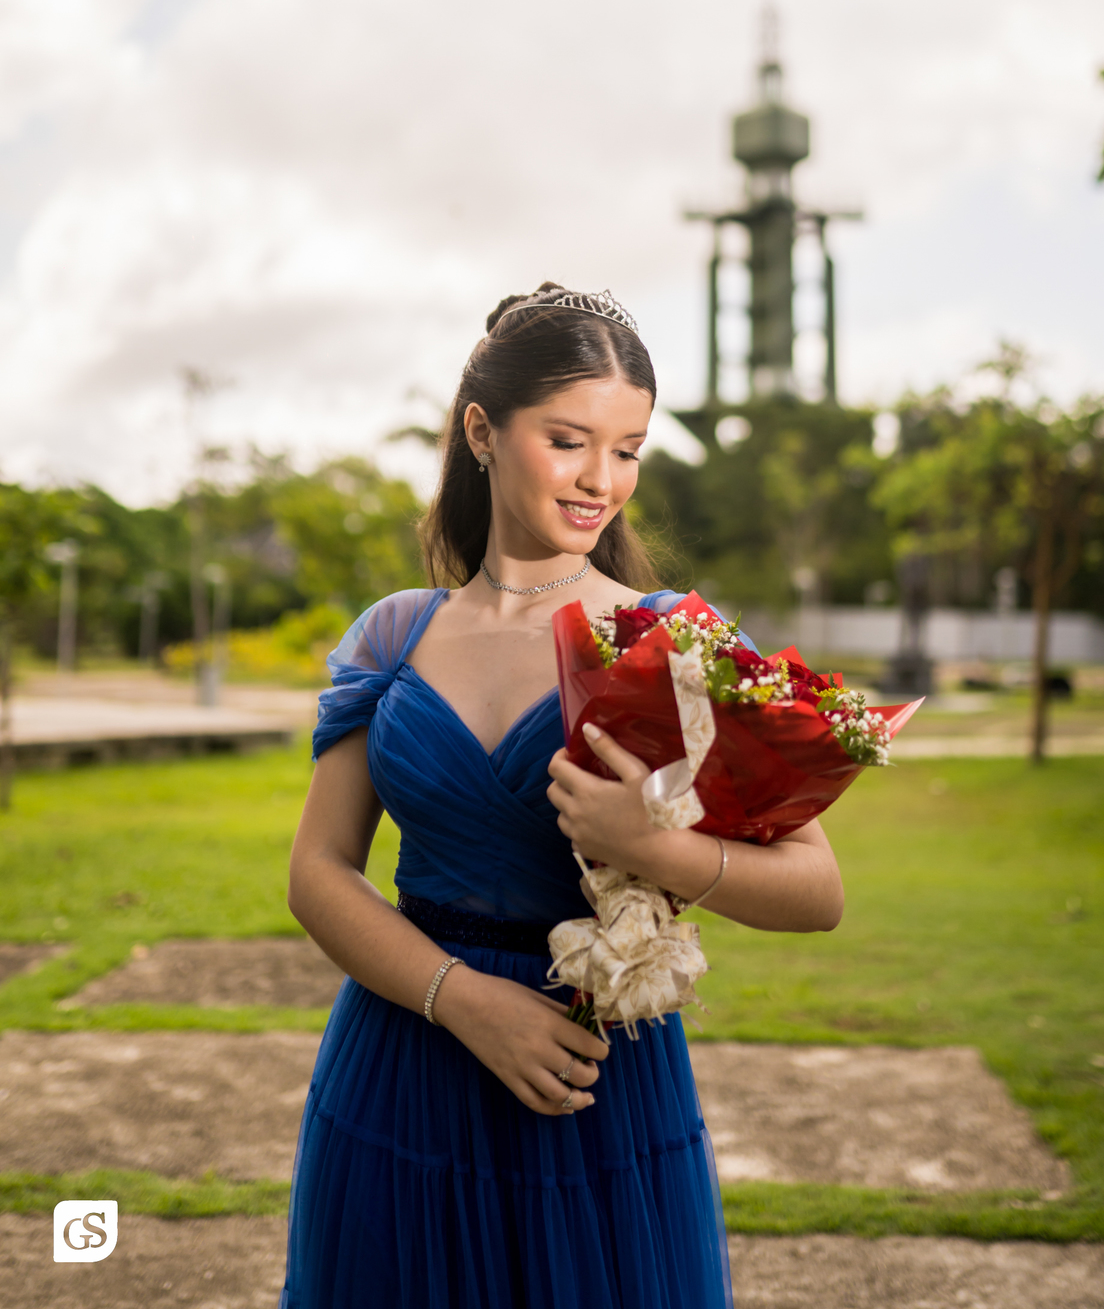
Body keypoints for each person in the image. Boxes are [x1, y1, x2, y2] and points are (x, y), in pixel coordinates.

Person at [278, 283, 844, 1309]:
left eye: (628, 449)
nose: (602, 481)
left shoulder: (674, 640)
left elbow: (818, 890)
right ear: (483, 432)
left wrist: (664, 852)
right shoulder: (394, 636)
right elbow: (318, 872)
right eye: (571, 441)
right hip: (400, 1059)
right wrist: (465, 1001)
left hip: (594, 1091)